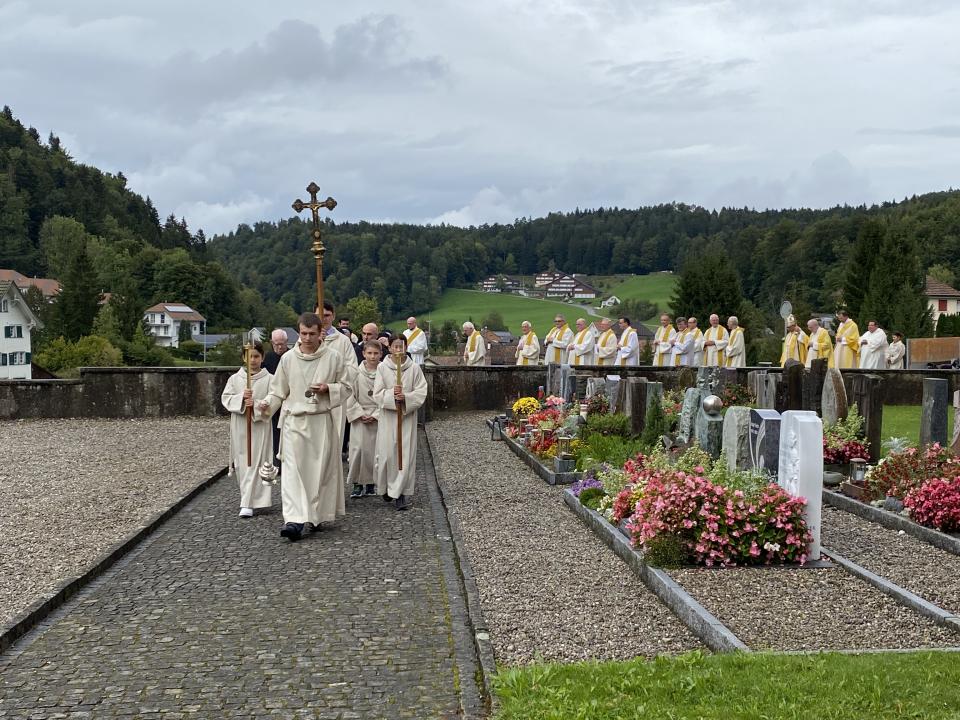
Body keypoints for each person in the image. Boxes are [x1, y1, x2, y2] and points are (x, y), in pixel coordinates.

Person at [258, 312, 353, 542]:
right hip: (294, 422)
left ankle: (315, 515)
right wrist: (266, 405)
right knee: (292, 473)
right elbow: (278, 391)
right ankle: (294, 519)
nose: (307, 338)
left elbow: (348, 386)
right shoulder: (288, 359)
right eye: (303, 333)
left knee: (316, 474)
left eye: (311, 333)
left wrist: (328, 389)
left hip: (320, 422)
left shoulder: (333, 357)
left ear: (320, 332)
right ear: (298, 332)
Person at [373, 334, 429, 510]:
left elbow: (421, 391)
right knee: (388, 454)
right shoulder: (383, 368)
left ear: (406, 347)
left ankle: (401, 493)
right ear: (389, 348)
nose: (398, 350)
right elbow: (377, 393)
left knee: (404, 455)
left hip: (406, 418)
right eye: (395, 346)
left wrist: (406, 398)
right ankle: (386, 488)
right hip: (388, 418)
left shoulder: (413, 369)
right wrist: (391, 395)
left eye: (401, 346)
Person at [221, 341, 274, 518]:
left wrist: (258, 404)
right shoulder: (235, 379)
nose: (253, 360)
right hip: (240, 425)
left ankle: (250, 502)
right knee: (243, 462)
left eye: (256, 356)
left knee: (257, 462)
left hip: (259, 426)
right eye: (249, 356)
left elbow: (273, 402)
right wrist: (241, 399)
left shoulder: (270, 379)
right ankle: (248, 499)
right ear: (244, 358)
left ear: (262, 357)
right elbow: (226, 399)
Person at [345, 341, 381, 499]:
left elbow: (387, 394)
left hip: (377, 415)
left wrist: (376, 414)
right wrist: (359, 413)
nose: (372, 356)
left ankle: (372, 483)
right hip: (360, 415)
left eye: (376, 353)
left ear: (380, 354)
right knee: (357, 450)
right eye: (369, 353)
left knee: (375, 451)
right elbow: (349, 395)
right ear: (364, 354)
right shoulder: (356, 373)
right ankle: (357, 483)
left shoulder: (384, 372)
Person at [263, 328, 290, 469]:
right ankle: (276, 462)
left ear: (287, 342)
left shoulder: (292, 356)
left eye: (282, 344)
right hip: (274, 401)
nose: (279, 347)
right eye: (276, 344)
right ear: (271, 343)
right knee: (274, 433)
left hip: (289, 401)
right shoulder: (267, 358)